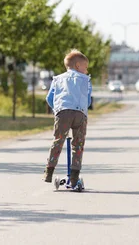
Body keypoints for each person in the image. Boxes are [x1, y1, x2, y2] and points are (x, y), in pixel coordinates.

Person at [43, 49, 93, 187]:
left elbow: (49, 98)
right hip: (80, 114)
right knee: (78, 145)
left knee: (58, 141)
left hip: (62, 113)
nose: (86, 70)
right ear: (78, 65)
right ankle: (74, 177)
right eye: (85, 67)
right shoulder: (86, 80)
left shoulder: (58, 79)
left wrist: (57, 109)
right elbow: (88, 101)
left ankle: (49, 171)